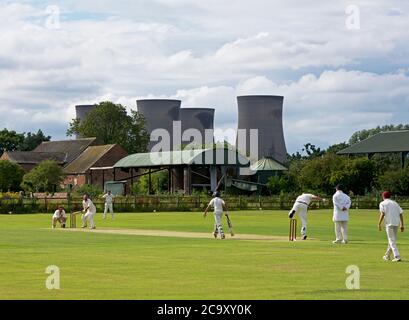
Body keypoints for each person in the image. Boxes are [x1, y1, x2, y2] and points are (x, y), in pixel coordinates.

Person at [378, 191, 404, 262]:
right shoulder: (395, 203)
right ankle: (387, 255)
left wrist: (379, 223)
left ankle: (397, 256)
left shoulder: (382, 203)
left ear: (383, 197)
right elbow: (401, 213)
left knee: (391, 240)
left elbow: (382, 213)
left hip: (389, 223)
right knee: (392, 240)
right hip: (396, 223)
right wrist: (402, 224)